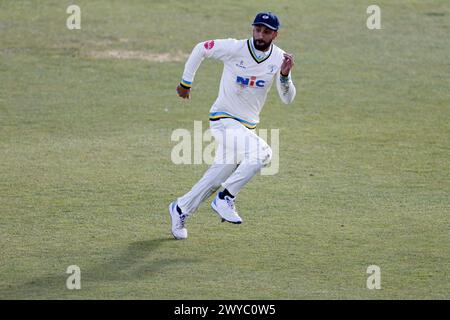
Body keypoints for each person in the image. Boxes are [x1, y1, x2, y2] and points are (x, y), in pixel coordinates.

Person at [169, 12, 296, 239]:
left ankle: (180, 207)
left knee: (215, 178)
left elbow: (287, 99)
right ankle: (225, 198)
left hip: (246, 128)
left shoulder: (279, 59)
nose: (260, 35)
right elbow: (201, 48)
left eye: (266, 31)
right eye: (257, 29)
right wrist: (185, 83)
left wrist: (285, 76)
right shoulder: (234, 48)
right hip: (224, 120)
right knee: (263, 152)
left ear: (275, 34)